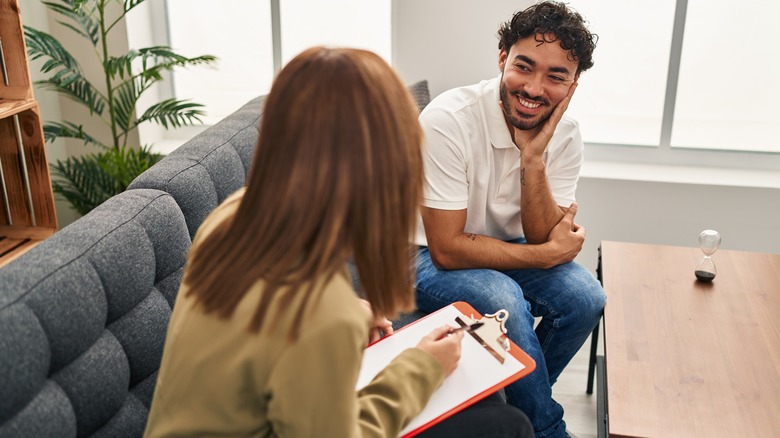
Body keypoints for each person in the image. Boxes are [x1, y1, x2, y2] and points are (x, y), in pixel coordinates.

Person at [144, 46, 532, 437]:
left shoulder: (235, 214)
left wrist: (350, 310)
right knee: (508, 425)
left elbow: (267, 325)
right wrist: (422, 366)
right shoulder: (320, 312)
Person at [413, 2, 607, 437]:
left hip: (502, 247)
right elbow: (446, 247)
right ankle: (545, 429)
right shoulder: (448, 120)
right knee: (501, 297)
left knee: (585, 296)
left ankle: (524, 403)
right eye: (525, 66)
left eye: (556, 76)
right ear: (503, 58)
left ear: (573, 85)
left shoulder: (566, 134)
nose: (535, 89)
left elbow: (539, 234)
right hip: (420, 251)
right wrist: (543, 255)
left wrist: (533, 160)